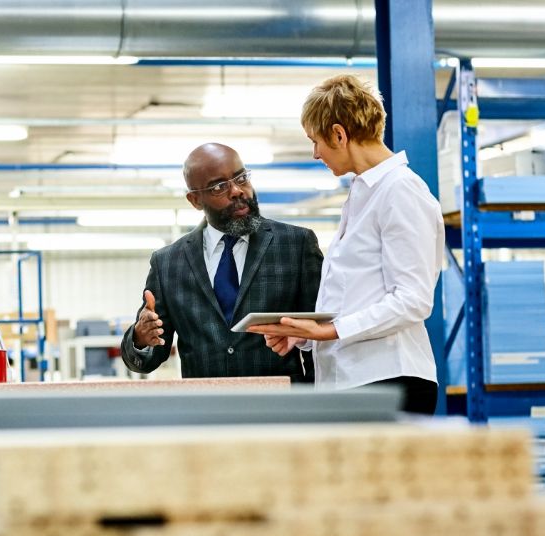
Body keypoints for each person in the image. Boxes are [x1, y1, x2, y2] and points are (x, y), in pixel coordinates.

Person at [248, 75, 444, 414]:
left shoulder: (401, 191)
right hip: (353, 381)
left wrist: (331, 330)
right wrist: (304, 335)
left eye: (316, 141)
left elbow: (414, 300)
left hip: (390, 379)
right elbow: (355, 293)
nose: (314, 153)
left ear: (339, 134)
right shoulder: (362, 194)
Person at [120, 142, 324, 380]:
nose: (237, 191)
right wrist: (139, 338)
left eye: (241, 178)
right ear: (195, 200)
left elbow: (319, 339)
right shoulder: (167, 264)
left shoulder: (296, 244)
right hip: (205, 411)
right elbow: (146, 360)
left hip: (281, 409)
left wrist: (315, 404)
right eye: (219, 187)